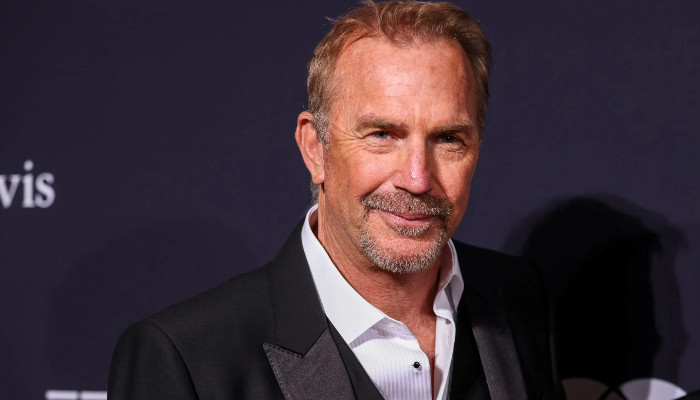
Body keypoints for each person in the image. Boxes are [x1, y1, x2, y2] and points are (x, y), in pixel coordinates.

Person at [108, 1, 560, 399]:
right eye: (382, 134)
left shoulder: (517, 298)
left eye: (448, 138)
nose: (418, 179)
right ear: (315, 148)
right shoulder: (186, 358)